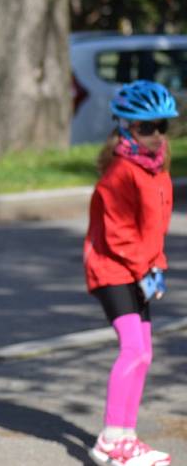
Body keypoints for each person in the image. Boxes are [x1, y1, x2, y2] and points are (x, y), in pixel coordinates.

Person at [83, 80, 177, 466]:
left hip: (139, 268)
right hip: (112, 269)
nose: (155, 135)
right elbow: (119, 232)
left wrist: (156, 266)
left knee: (144, 354)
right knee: (133, 349)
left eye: (161, 126)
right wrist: (145, 270)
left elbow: (154, 227)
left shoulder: (156, 167)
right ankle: (110, 440)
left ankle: (125, 436)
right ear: (125, 126)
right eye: (146, 127)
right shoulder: (120, 172)